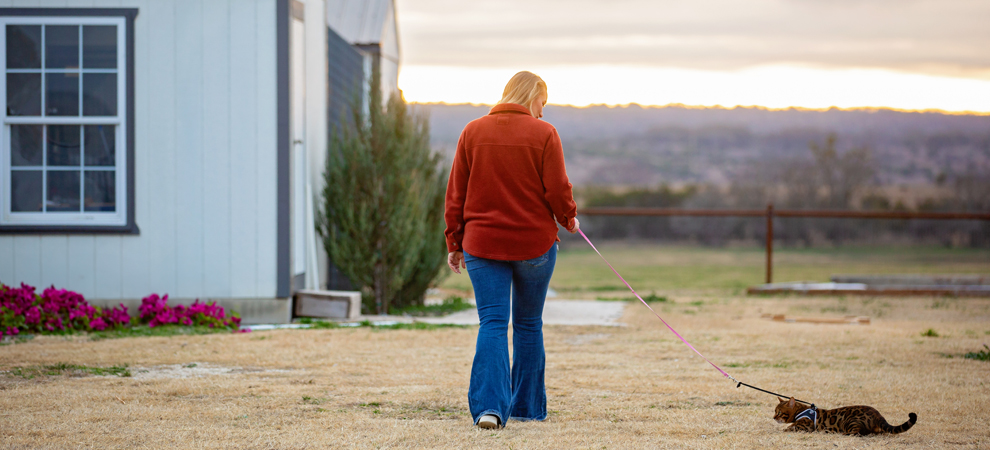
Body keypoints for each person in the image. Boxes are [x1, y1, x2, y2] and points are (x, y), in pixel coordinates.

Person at [444, 71, 579, 429]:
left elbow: (456, 192)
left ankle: (489, 410)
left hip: (482, 244)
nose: (542, 113)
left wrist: (453, 242)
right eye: (542, 104)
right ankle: (527, 408)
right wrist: (569, 219)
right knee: (528, 324)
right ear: (533, 96)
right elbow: (557, 189)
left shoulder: (472, 132)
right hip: (534, 245)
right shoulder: (545, 134)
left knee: (492, 323)